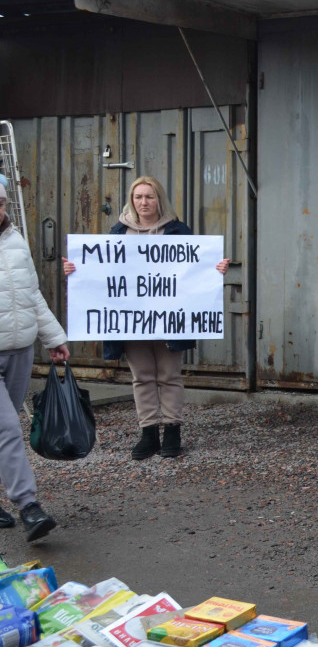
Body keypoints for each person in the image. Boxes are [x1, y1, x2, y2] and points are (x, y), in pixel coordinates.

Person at [63, 176, 229, 460]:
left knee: (169, 376)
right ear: (132, 200)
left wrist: (216, 269)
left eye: (149, 197)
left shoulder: (177, 231)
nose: (143, 202)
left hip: (169, 322)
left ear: (159, 199)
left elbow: (195, 269)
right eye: (138, 197)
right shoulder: (118, 232)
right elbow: (102, 273)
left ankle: (173, 430)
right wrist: (76, 271)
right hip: (132, 324)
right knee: (142, 377)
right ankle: (149, 431)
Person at [0, 177, 71, 541]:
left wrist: (53, 337)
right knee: (8, 427)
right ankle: (28, 506)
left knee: (2, 431)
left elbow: (31, 295)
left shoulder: (15, 241)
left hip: (19, 349)